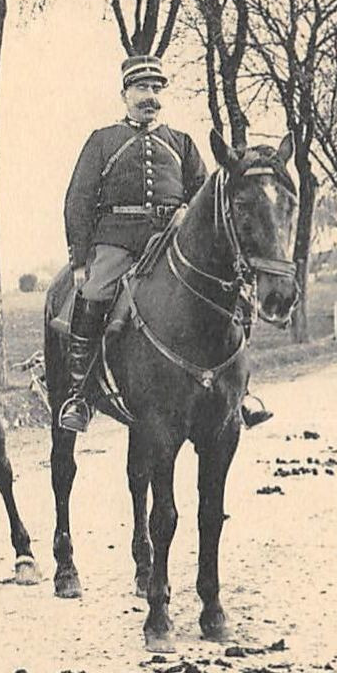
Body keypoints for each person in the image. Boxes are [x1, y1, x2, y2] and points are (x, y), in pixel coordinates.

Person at [57, 54, 271, 432]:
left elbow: (208, 198)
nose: (150, 97)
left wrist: (185, 211)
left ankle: (241, 390)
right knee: (94, 292)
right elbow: (79, 199)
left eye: (156, 89)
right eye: (142, 88)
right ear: (124, 94)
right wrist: (78, 259)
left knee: (229, 296)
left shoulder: (182, 143)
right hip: (118, 240)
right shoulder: (103, 141)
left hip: (173, 241)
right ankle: (78, 392)